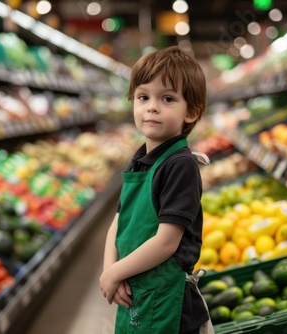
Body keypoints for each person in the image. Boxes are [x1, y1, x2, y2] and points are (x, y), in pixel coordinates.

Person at [99, 45, 213, 334]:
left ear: (191, 113)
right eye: (143, 97)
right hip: (137, 289)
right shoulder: (140, 160)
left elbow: (166, 242)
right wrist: (110, 269)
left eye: (167, 98)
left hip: (168, 303)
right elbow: (119, 220)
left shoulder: (179, 165)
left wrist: (116, 272)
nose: (152, 106)